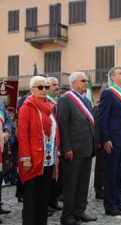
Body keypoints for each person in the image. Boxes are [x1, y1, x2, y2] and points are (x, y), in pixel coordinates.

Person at [18, 76, 60, 225]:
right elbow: (22, 135)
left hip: (47, 159)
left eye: (46, 87)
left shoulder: (48, 106)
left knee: (43, 199)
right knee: (31, 200)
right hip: (33, 160)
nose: (44, 90)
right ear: (31, 90)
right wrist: (25, 158)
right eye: (40, 87)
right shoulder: (26, 107)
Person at [58, 72, 97, 225]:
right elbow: (63, 125)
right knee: (71, 184)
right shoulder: (66, 99)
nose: (85, 83)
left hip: (87, 148)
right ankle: (67, 216)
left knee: (83, 183)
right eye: (82, 81)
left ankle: (80, 211)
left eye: (86, 81)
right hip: (73, 149)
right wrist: (67, 147)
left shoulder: (86, 101)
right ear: (73, 83)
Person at [98, 67, 121, 216]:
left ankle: (119, 202)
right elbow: (102, 118)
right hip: (114, 140)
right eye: (120, 73)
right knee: (111, 175)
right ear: (112, 77)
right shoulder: (108, 93)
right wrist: (105, 139)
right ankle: (110, 206)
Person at [46, 77, 63, 212]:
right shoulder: (45, 102)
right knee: (49, 175)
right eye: (53, 85)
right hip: (48, 144)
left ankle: (53, 200)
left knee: (57, 174)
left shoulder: (59, 102)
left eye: (58, 85)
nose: (57, 87)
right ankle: (46, 203)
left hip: (59, 143)